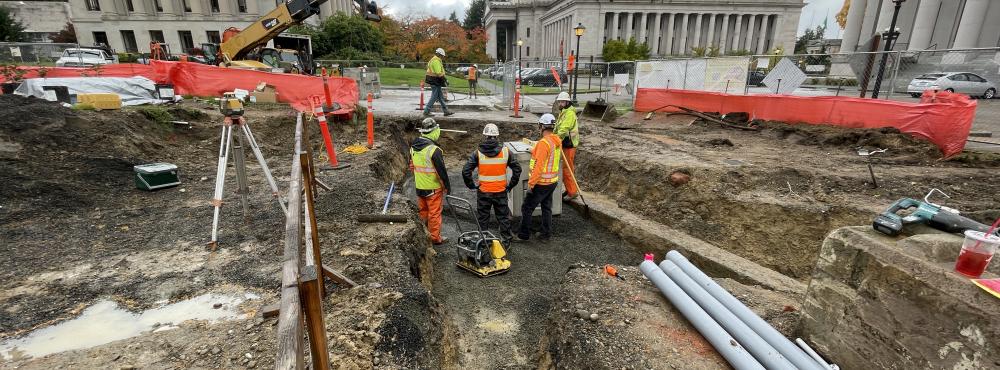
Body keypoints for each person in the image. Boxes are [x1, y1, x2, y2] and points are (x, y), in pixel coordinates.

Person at [462, 123, 522, 242]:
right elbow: (517, 170)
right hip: (500, 191)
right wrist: (510, 186)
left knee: (483, 218)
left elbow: (465, 171)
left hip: (484, 192)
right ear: (497, 136)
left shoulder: (477, 153)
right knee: (503, 217)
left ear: (485, 136)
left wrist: (472, 185)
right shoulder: (506, 151)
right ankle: (506, 241)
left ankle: (483, 241)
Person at [514, 114, 562, 242]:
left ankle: (523, 235)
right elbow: (548, 157)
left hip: (541, 183)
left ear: (541, 126)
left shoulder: (543, 143)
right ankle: (545, 234)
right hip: (552, 182)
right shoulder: (556, 141)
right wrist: (535, 150)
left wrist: (531, 184)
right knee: (546, 207)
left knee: (527, 208)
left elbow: (539, 166)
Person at [411, 118, 451, 245]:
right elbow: (441, 173)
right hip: (433, 188)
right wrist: (447, 187)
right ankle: (434, 237)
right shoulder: (434, 150)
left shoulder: (413, 147)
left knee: (423, 212)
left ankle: (423, 234)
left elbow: (412, 166)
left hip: (419, 186)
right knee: (434, 214)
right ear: (433, 131)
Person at [553, 91, 580, 200]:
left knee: (567, 169)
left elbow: (564, 129)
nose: (560, 103)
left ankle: (572, 192)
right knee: (565, 168)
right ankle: (569, 189)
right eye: (559, 101)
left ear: (567, 102)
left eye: (562, 101)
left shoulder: (569, 113)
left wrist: (555, 139)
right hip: (565, 143)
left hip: (569, 144)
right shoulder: (564, 111)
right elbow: (558, 127)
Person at [424, 48, 453, 117]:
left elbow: (438, 72)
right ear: (439, 54)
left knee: (440, 97)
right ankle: (426, 111)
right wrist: (445, 80)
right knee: (434, 96)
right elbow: (438, 73)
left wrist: (444, 80)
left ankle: (446, 111)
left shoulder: (434, 60)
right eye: (442, 56)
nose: (443, 57)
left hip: (434, 80)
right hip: (434, 81)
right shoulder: (436, 61)